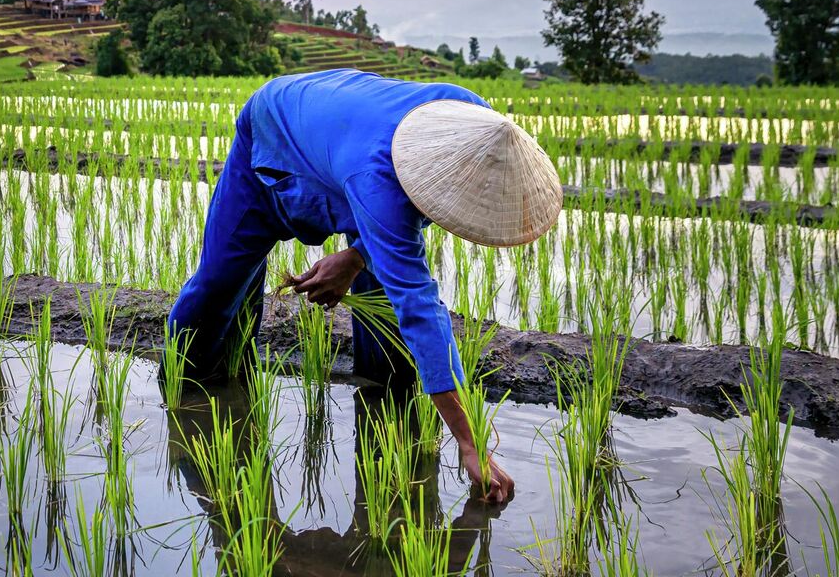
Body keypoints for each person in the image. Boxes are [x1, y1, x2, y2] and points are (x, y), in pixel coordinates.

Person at [167, 68, 561, 504]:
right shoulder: (376, 181)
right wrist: (471, 445)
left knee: (385, 309)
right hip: (278, 128)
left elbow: (415, 208)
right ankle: (188, 388)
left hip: (349, 145)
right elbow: (420, 308)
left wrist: (354, 258)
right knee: (219, 285)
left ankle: (386, 395)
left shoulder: (473, 121)